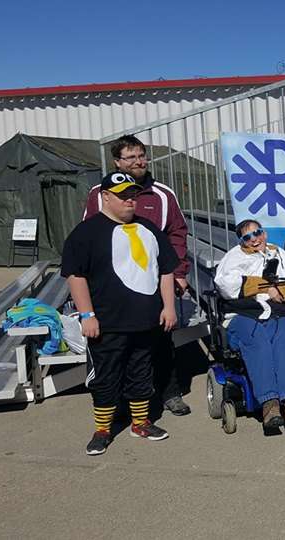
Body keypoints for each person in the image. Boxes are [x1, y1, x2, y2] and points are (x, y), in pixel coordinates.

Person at [62, 172, 178, 456]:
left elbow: (165, 270)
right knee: (106, 376)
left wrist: (169, 306)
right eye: (123, 195)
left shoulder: (149, 228)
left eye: (133, 195)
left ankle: (141, 422)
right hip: (107, 322)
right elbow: (76, 276)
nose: (130, 200)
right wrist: (86, 315)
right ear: (105, 197)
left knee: (141, 372)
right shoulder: (86, 232)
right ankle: (103, 428)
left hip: (146, 319)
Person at [84, 135, 192, 416]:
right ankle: (118, 400)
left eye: (142, 155)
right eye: (130, 157)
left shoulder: (162, 195)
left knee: (159, 340)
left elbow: (177, 233)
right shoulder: (99, 194)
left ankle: (170, 393)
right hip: (114, 287)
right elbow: (89, 236)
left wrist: (178, 272)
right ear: (117, 162)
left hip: (153, 282)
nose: (138, 161)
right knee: (116, 345)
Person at [213, 220, 285, 429]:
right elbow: (225, 285)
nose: (254, 239)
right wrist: (267, 288)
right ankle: (270, 404)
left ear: (264, 234)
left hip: (277, 314)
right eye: (247, 237)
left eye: (257, 233)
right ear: (242, 241)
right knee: (258, 341)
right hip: (242, 315)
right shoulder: (234, 257)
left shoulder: (279, 253)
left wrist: (283, 290)